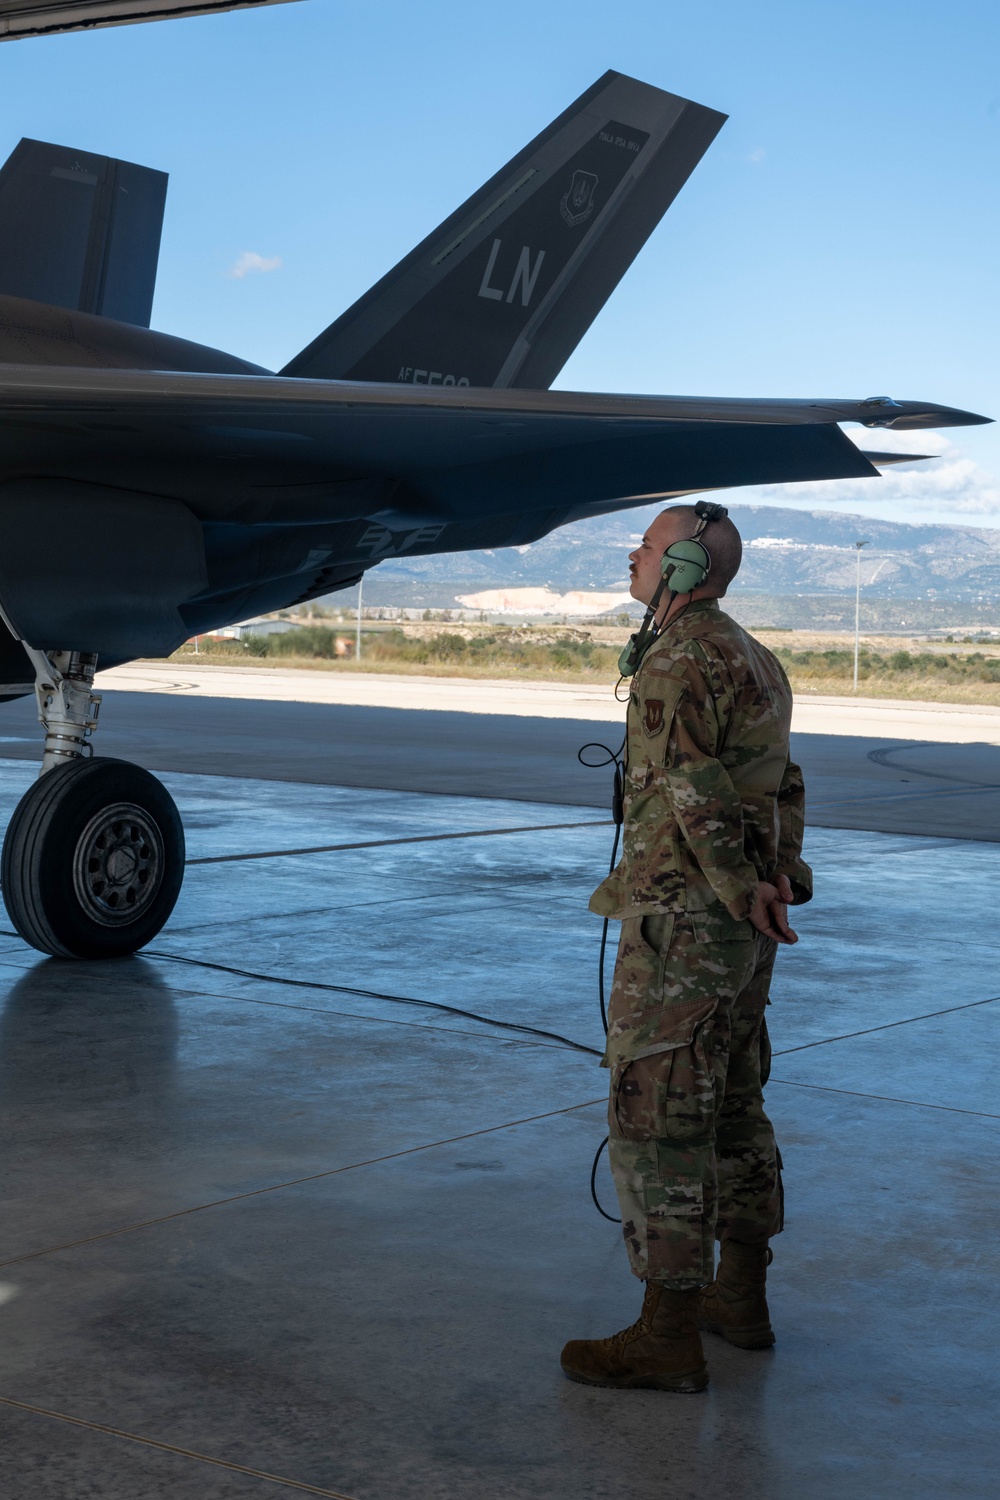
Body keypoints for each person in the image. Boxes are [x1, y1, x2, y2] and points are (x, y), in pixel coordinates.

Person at [560, 502, 812, 1393]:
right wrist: (776, 884)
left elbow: (698, 793)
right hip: (745, 932)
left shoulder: (677, 659)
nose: (633, 553)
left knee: (658, 1113)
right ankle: (739, 1299)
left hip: (685, 925)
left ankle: (667, 1333)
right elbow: (780, 785)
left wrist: (742, 889)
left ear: (683, 568)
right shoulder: (755, 655)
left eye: (649, 546)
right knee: (736, 1099)